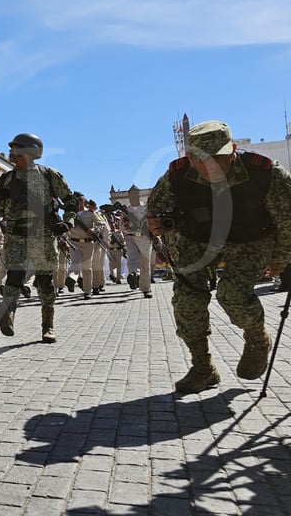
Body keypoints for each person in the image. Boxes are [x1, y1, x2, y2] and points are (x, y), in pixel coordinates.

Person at [146, 120, 291, 394]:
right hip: (195, 239)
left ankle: (258, 339)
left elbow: (288, 219)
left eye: (220, 159)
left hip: (250, 239)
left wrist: (281, 258)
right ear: (190, 158)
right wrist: (153, 224)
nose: (212, 167)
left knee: (232, 295)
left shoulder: (266, 173)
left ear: (234, 150)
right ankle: (203, 368)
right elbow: (154, 209)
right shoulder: (176, 176)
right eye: (203, 161)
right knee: (187, 300)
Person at [0, 133, 78, 343]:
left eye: (17, 149)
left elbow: (70, 200)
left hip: (44, 236)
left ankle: (48, 326)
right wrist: (1, 200)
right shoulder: (6, 179)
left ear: (31, 152)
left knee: (45, 283)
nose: (13, 153)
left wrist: (68, 222)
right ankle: (8, 315)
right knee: (14, 277)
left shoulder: (49, 175)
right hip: (17, 236)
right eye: (12, 149)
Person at [123, 187, 154, 298]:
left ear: (139, 195)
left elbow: (152, 222)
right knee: (132, 258)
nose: (134, 195)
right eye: (132, 193)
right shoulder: (125, 210)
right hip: (130, 237)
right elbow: (121, 226)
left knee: (145, 263)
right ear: (129, 195)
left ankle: (146, 288)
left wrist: (154, 236)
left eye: (136, 193)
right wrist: (125, 224)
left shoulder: (146, 208)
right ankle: (132, 274)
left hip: (144, 237)